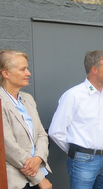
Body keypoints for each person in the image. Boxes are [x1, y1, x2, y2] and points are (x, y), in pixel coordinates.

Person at [48, 50, 103, 189]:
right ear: (94, 70)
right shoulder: (73, 95)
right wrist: (77, 152)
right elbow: (56, 131)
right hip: (83, 161)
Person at [0, 49, 52, 189]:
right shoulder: (1, 101)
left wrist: (39, 158)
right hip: (16, 181)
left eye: (27, 68)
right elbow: (8, 147)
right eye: (23, 69)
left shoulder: (28, 99)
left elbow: (42, 134)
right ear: (6, 73)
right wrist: (39, 178)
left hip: (38, 170)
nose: (28, 73)